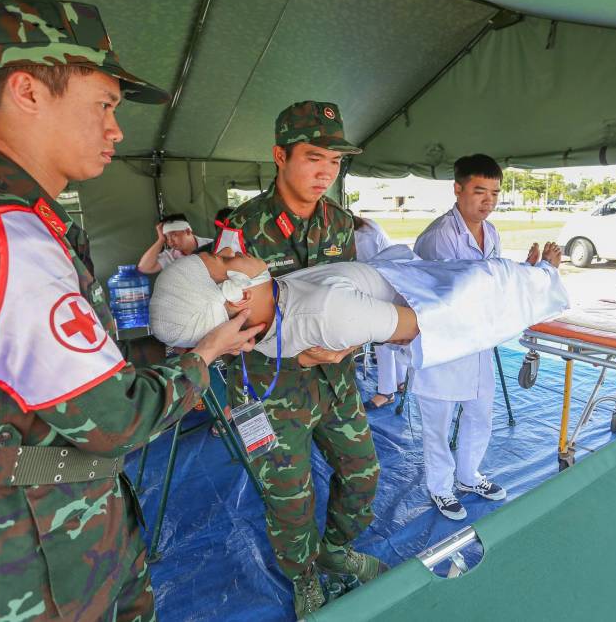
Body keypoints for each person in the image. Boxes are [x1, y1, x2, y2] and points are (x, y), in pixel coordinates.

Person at [0, 0, 262, 622]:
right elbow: (116, 420)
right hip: (24, 568)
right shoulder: (6, 239)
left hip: (37, 536)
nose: (117, 130)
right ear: (27, 91)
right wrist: (206, 353)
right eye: (104, 105)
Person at [220, 101, 381, 617]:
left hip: (335, 377)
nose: (326, 172)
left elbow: (352, 298)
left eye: (335, 161)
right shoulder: (240, 228)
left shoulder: (341, 223)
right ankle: (304, 575)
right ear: (280, 156)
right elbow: (226, 318)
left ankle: (334, 550)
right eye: (314, 157)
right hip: (268, 388)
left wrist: (347, 345)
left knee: (362, 472)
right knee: (289, 496)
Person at [148, 243, 566, 366]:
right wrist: (531, 283)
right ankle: (543, 278)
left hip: (403, 275)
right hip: (434, 295)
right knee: (489, 277)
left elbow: (301, 346)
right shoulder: (329, 310)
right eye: (223, 261)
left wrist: (324, 353)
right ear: (236, 294)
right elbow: (432, 323)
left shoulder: (257, 326)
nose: (229, 251)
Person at [412, 154, 539, 521]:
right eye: (480, 191)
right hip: (443, 344)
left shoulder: (491, 232)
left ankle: (468, 475)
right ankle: (441, 487)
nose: (488, 201)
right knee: (437, 423)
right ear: (458, 189)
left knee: (480, 413)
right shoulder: (439, 238)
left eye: (495, 193)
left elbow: (494, 281)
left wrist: (528, 272)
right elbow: (454, 295)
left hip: (478, 341)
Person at [354, 215, 408, 408]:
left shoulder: (362, 237)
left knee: (382, 341)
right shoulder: (366, 226)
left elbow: (369, 270)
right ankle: (401, 382)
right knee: (395, 338)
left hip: (384, 286)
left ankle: (386, 392)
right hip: (394, 284)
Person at [137, 212, 213, 274]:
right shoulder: (171, 255)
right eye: (166, 238)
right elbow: (143, 267)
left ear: (187, 231)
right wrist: (161, 240)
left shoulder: (213, 245)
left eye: (173, 235)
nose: (170, 241)